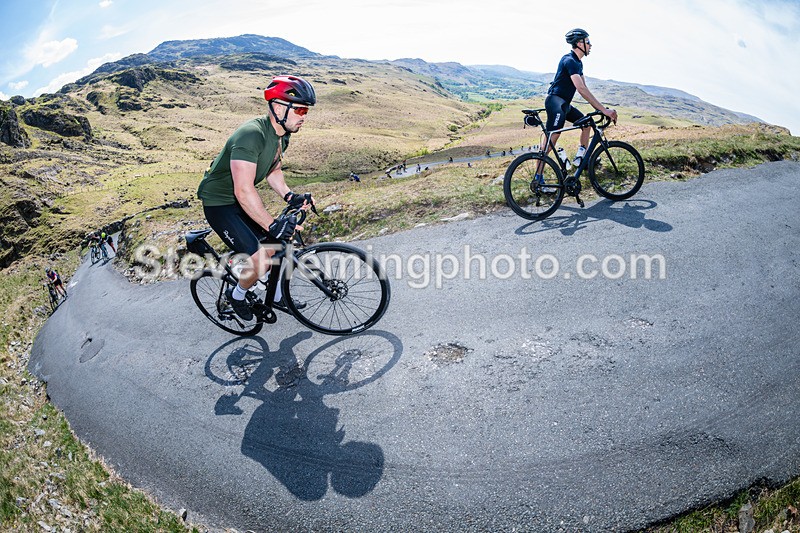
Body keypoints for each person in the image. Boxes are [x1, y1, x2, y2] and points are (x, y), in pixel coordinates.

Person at [197, 75, 316, 321]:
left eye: (307, 111)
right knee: (261, 256)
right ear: (280, 107)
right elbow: (243, 190)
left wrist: (289, 195)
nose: (304, 117)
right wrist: (272, 224)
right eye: (301, 109)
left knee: (278, 245)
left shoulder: (282, 134)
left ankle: (273, 296)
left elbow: (273, 169)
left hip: (240, 201)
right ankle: (236, 294)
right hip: (220, 203)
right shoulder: (251, 135)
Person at [536, 28, 617, 183]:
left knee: (586, 124)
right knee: (552, 138)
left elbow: (584, 90)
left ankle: (581, 158)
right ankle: (538, 178)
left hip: (564, 104)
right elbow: (580, 88)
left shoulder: (578, 63)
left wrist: (599, 109)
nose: (591, 46)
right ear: (579, 43)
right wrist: (604, 110)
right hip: (555, 102)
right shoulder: (570, 61)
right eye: (588, 42)